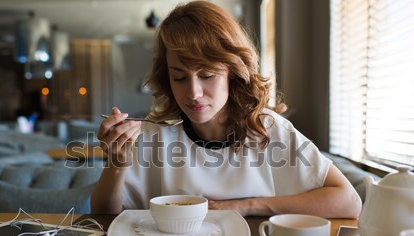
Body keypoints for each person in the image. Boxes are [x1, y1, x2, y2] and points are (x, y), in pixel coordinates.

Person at [91, 1, 362, 218]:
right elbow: (104, 215)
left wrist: (244, 206)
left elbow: (348, 202)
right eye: (179, 77)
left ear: (233, 73)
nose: (193, 93)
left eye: (207, 75)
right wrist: (117, 163)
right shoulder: (154, 135)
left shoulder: (267, 128)